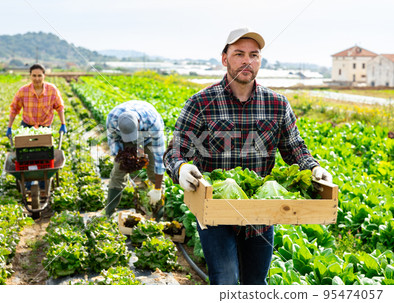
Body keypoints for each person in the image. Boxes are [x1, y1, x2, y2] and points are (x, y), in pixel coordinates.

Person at [163, 27, 332, 285]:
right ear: (224, 58)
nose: (247, 61)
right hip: (216, 212)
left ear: (260, 61)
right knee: (226, 280)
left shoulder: (277, 104)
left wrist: (313, 168)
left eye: (254, 55)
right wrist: (181, 167)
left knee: (256, 284)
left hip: (260, 215)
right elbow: (176, 149)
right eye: (239, 54)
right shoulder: (201, 103)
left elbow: (294, 148)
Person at [105, 100, 166, 216]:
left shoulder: (153, 122)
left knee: (154, 172)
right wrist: (122, 158)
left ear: (138, 122)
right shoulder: (112, 119)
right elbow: (113, 140)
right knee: (118, 172)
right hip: (124, 138)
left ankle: (157, 216)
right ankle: (109, 214)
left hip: (149, 139)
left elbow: (159, 157)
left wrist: (157, 188)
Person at [6, 63, 67, 136]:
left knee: (45, 146)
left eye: (39, 76)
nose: (37, 79)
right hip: (27, 128)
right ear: (30, 76)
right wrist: (9, 127)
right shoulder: (23, 91)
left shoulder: (52, 90)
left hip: (45, 128)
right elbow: (14, 109)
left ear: (44, 76)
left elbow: (60, 107)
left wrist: (63, 123)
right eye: (34, 75)